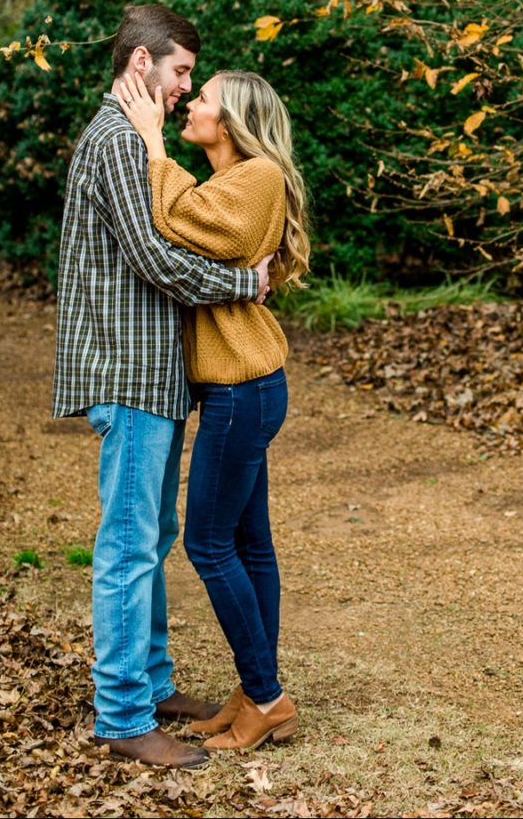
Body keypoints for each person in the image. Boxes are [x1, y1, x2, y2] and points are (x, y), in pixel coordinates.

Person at [52, 3, 273, 771]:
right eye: (181, 72)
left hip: (154, 369)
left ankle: (148, 684)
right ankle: (121, 717)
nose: (184, 87)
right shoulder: (117, 138)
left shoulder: (127, 140)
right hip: (129, 368)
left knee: (152, 537)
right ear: (142, 65)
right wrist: (243, 280)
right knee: (127, 545)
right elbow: (154, 257)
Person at [115, 64, 309, 754]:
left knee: (207, 543)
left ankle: (265, 698)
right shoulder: (237, 181)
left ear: (229, 123)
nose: (188, 105)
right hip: (242, 388)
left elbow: (182, 222)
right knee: (249, 544)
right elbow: (190, 226)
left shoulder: (256, 176)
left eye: (201, 98)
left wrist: (153, 144)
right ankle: (257, 686)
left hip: (243, 391)